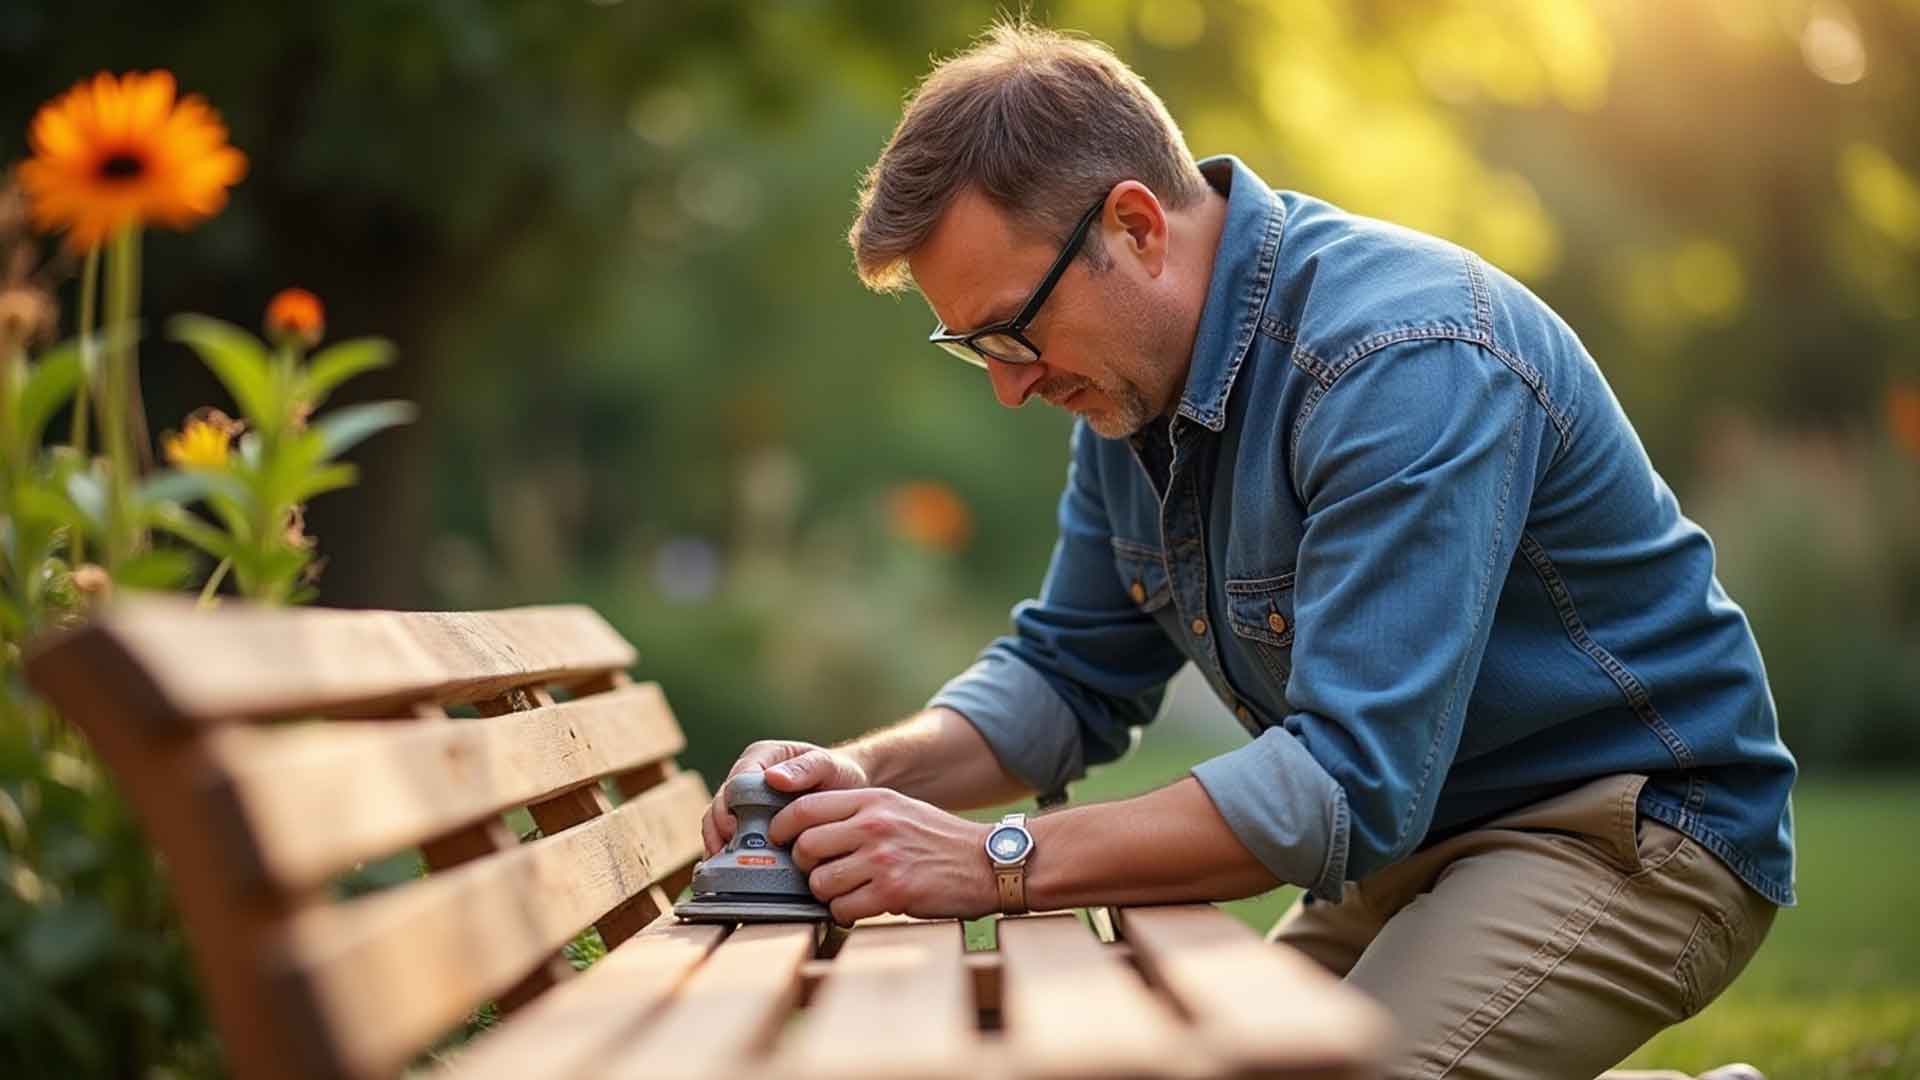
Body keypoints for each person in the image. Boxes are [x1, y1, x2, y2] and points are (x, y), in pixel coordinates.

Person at [700, 21, 1793, 1080]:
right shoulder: (1128, 392)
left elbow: (1349, 783)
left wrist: (994, 863)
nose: (1008, 383)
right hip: (1412, 844)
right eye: (972, 346)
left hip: (1626, 831)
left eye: (1013, 328)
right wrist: (859, 774)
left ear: (1134, 225)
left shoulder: (1400, 362)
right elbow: (1067, 674)